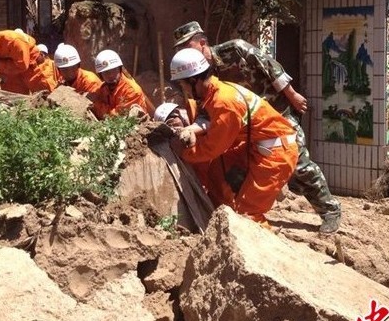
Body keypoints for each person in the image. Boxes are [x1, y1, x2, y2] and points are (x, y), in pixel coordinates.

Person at [173, 20, 342, 233]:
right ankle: (240, 205)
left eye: (187, 48)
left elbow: (271, 67)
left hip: (274, 109)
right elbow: (207, 114)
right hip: (245, 124)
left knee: (299, 162)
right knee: (230, 163)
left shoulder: (234, 50)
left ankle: (329, 209)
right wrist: (191, 129)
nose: (185, 55)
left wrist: (292, 95)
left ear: (202, 43)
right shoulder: (199, 73)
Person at [169, 47, 298, 226]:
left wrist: (184, 153)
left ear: (193, 80)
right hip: (258, 145)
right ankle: (221, 218)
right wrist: (191, 129)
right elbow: (210, 120)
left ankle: (258, 247)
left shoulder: (224, 102)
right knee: (216, 172)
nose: (184, 90)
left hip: (276, 154)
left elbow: (212, 147)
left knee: (249, 213)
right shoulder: (218, 91)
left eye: (182, 85)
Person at [0, 16, 56, 94]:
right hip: (13, 75)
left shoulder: (13, 40)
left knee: (47, 99)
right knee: (15, 103)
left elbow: (22, 65)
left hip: (35, 70)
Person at [91, 49, 154, 119]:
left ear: (120, 69)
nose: (110, 75)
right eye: (106, 72)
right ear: (100, 75)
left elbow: (115, 118)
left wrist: (96, 106)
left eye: (113, 70)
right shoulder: (103, 88)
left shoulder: (132, 91)